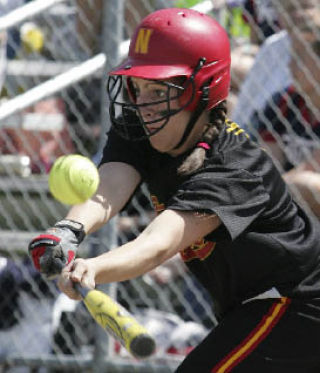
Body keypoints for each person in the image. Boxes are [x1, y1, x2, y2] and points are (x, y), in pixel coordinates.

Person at [28, 8, 320, 372]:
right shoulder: (144, 125)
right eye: (138, 86)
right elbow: (111, 183)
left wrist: (94, 268)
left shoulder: (233, 167)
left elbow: (158, 244)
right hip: (253, 306)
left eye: (159, 89)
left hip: (296, 304)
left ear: (203, 90)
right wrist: (68, 231)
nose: (144, 102)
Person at [250, 26, 320, 219]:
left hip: (300, 189)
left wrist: (260, 192)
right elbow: (270, 162)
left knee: (306, 184)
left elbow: (310, 169)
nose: (290, 66)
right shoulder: (284, 103)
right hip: (288, 194)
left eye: (300, 60)